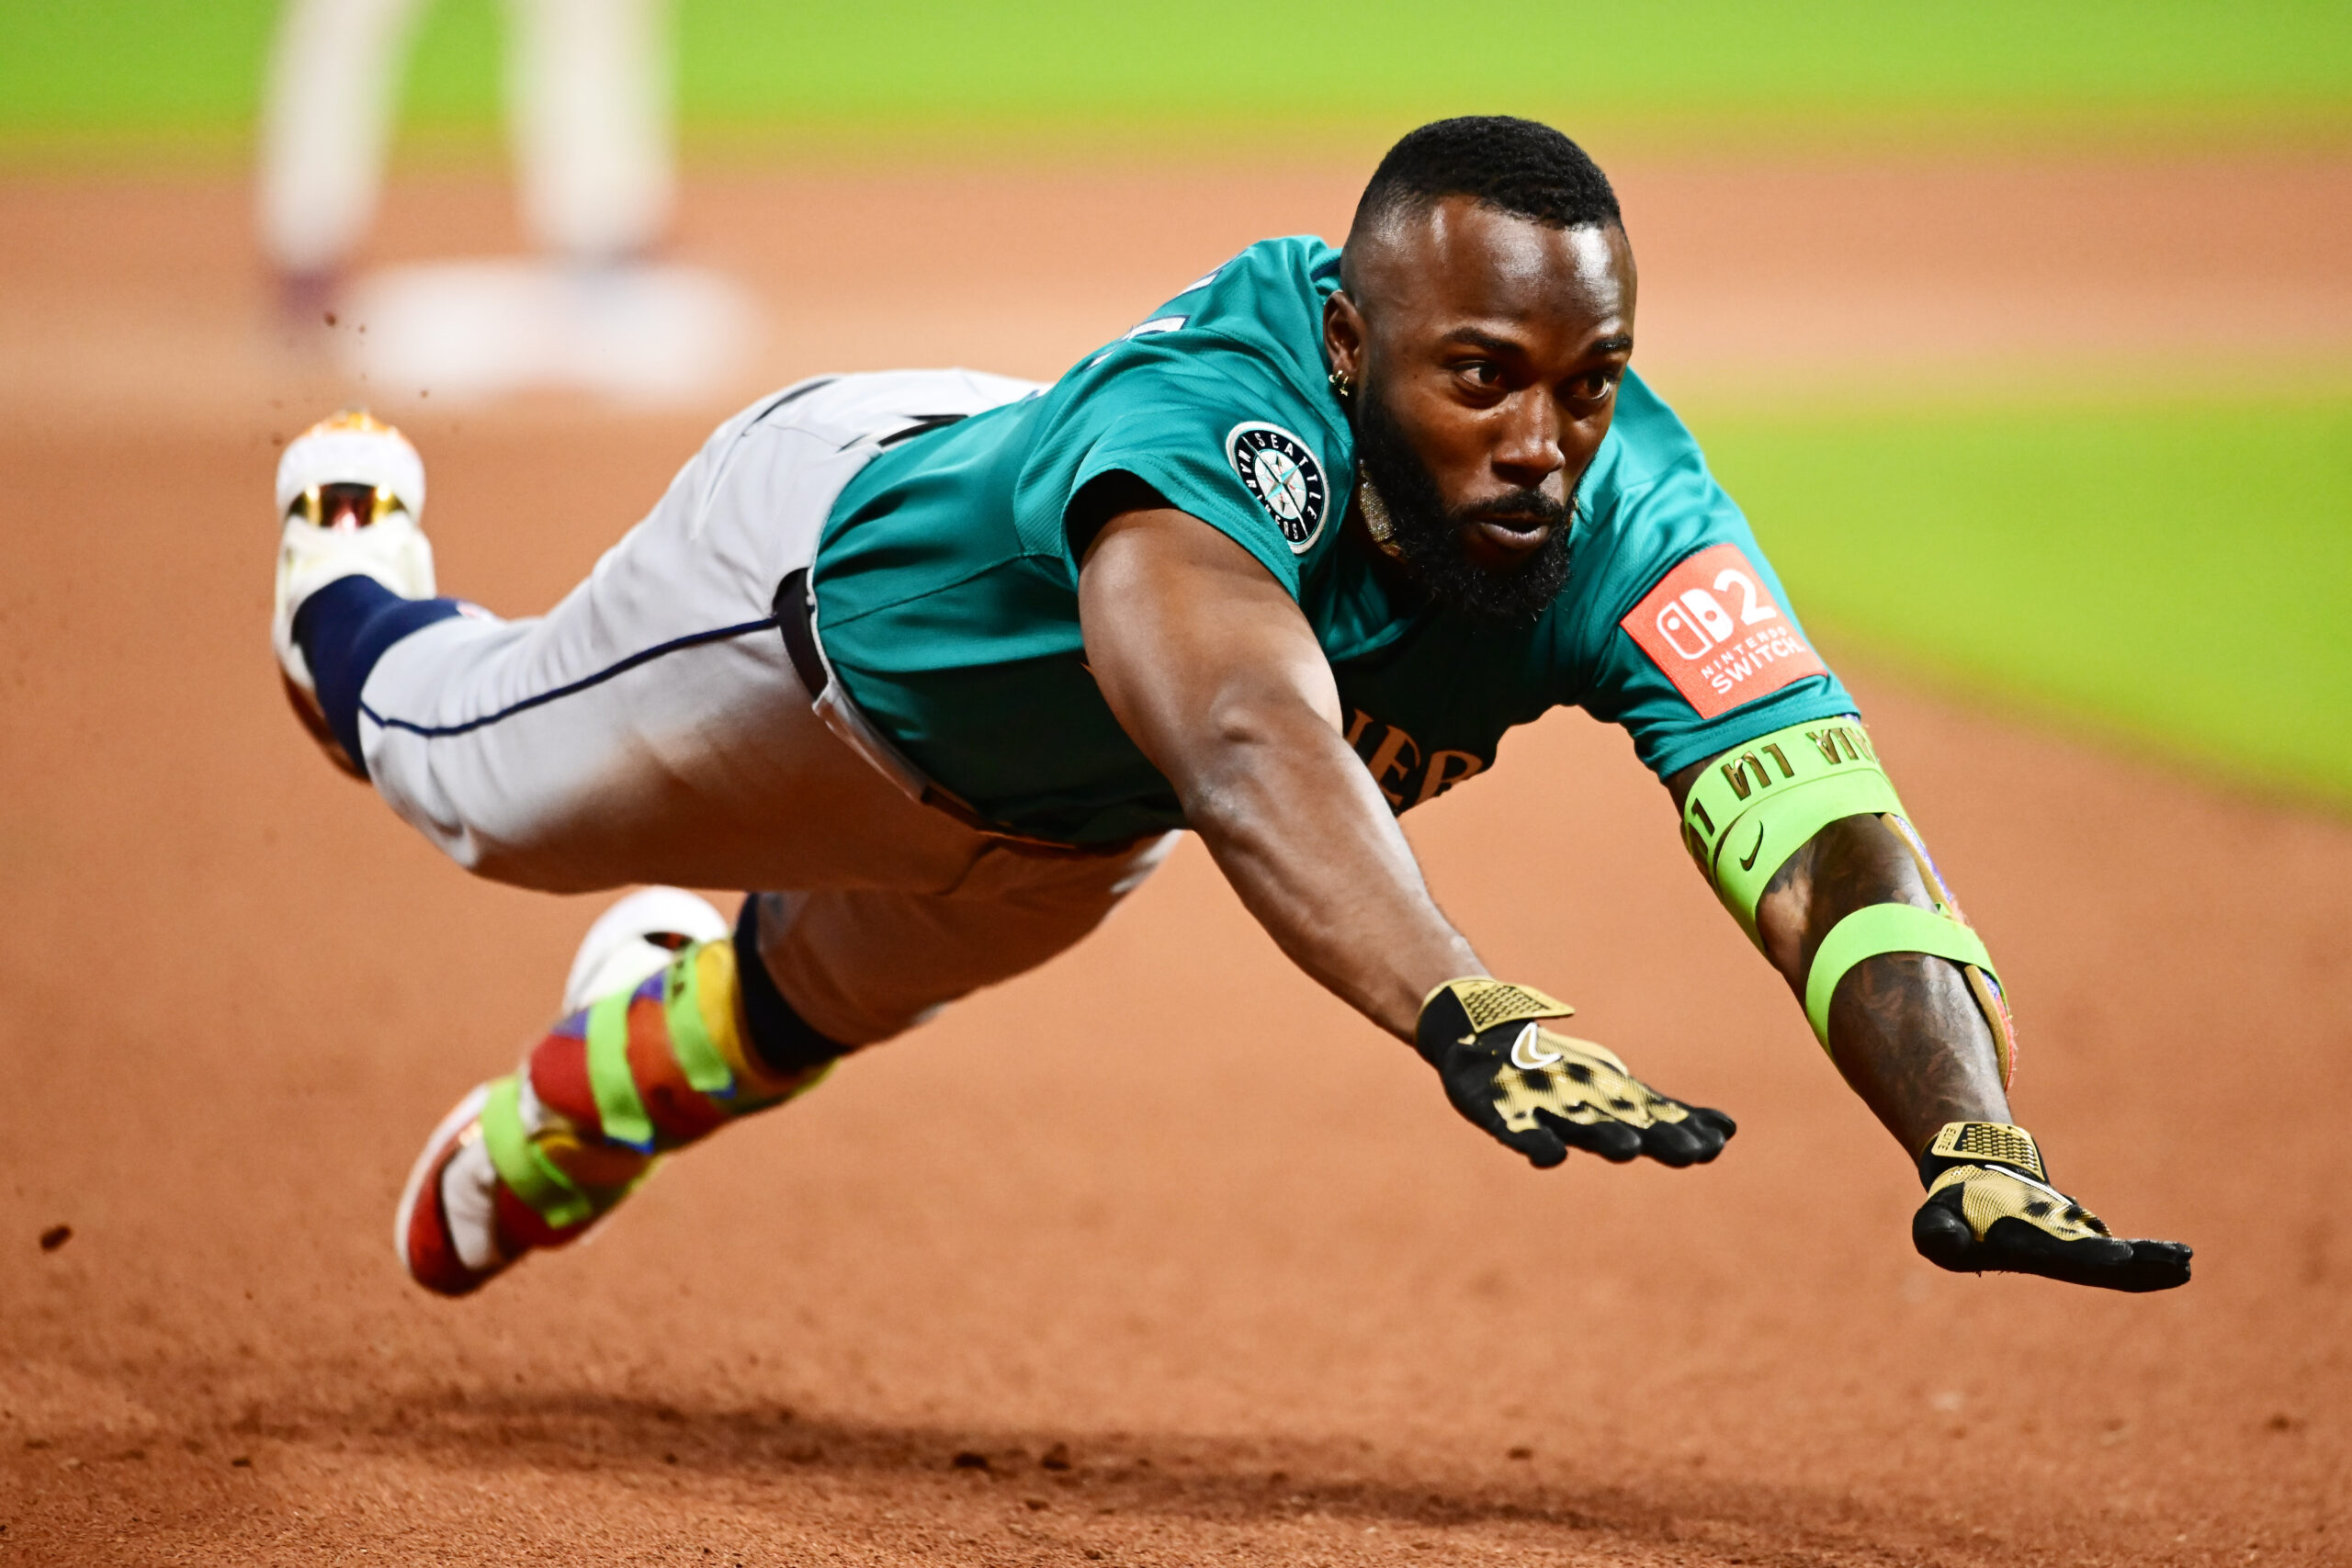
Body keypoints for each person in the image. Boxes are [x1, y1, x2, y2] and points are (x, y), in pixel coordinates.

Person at [267, 118, 2191, 1299]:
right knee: (453, 781)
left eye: (1588, 379)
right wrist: (1465, 1003)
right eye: (1475, 375)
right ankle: (348, 597)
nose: (1541, 441)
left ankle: (596, 1076)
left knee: (801, 1003)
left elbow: (1811, 815)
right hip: (799, 635)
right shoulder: (1234, 400)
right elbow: (1244, 728)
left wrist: (1969, 1130)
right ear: (1353, 349)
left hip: (1062, 830)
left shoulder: (1627, 505)